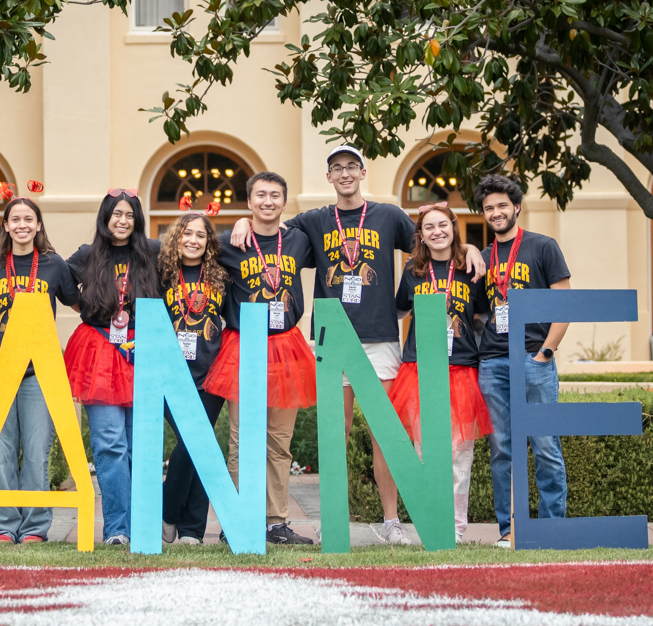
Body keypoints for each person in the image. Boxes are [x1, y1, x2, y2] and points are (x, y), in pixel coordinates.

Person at [229, 145, 485, 545]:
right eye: (336, 168)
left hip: (380, 337)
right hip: (334, 340)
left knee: (385, 433)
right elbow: (270, 228)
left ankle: (391, 522)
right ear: (328, 177)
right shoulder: (312, 222)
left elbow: (433, 240)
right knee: (338, 432)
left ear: (363, 172)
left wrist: (468, 248)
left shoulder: (387, 215)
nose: (345, 173)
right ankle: (336, 521)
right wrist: (242, 221)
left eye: (351, 166)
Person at [203, 170, 317, 545]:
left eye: (275, 196)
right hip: (244, 346)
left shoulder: (299, 239)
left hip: (286, 346)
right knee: (241, 439)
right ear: (249, 201)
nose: (268, 202)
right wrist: (237, 224)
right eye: (260, 196)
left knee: (278, 441)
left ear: (284, 203)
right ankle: (239, 517)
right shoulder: (227, 242)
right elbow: (182, 248)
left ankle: (275, 521)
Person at [471, 173, 572, 549]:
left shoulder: (543, 247)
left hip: (534, 357)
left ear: (516, 207)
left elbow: (564, 304)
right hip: (494, 362)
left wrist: (546, 352)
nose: (495, 213)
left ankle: (551, 528)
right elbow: (479, 313)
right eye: (488, 208)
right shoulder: (482, 258)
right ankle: (508, 529)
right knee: (502, 448)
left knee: (545, 443)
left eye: (501, 206)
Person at [0, 197, 79, 545]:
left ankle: (35, 526)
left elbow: (78, 304)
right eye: (15, 219)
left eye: (28, 219)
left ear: (38, 225)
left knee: (36, 450)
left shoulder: (53, 264)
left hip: (39, 372)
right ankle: (3, 524)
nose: (22, 225)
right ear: (5, 226)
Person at [388, 202, 492, 543]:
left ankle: (456, 528)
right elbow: (400, 308)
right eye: (429, 227)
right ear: (421, 235)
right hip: (419, 367)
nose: (437, 232)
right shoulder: (413, 271)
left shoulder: (472, 268)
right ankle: (430, 521)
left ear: (453, 226)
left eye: (442, 225)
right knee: (424, 450)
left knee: (459, 453)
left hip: (461, 367)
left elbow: (489, 315)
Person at [63, 190, 160, 547]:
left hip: (143, 349)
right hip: (100, 350)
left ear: (137, 220)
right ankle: (117, 529)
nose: (122, 220)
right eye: (115, 214)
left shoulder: (152, 252)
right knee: (110, 444)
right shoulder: (87, 255)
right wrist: (90, 308)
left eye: (129, 215)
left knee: (140, 445)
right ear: (105, 217)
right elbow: (59, 280)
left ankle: (141, 526)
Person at [155, 212, 229, 545]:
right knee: (195, 446)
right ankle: (178, 518)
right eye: (187, 233)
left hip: (211, 374)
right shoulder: (161, 275)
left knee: (198, 446)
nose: (193, 240)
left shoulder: (220, 277)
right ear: (176, 238)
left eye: (201, 235)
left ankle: (184, 526)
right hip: (171, 375)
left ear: (209, 242)